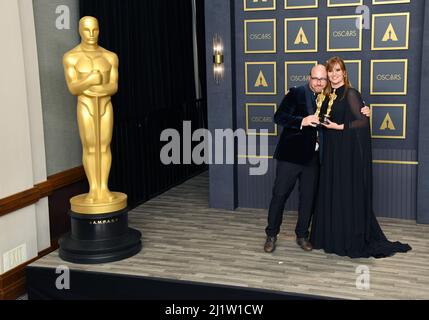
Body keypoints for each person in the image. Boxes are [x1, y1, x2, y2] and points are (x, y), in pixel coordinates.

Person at [310, 56, 412, 258]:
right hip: (331, 152)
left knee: (345, 192)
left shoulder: (351, 93)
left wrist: (339, 126)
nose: (334, 74)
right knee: (333, 191)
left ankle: (347, 238)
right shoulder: (326, 94)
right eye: (331, 71)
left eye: (338, 70)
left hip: (347, 153)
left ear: (344, 73)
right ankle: (331, 236)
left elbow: (362, 123)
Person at [264, 65, 369, 253]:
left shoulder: (329, 96)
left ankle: (302, 235)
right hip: (290, 157)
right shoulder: (296, 93)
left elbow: (347, 109)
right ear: (309, 78)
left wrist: (365, 109)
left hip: (314, 159)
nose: (319, 82)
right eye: (316, 78)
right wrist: (301, 121)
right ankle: (271, 235)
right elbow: (279, 117)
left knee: (308, 199)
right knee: (279, 195)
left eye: (323, 79)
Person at [63, 16, 125, 210]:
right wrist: (90, 80)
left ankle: (104, 188)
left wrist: (98, 89)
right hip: (86, 106)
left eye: (95, 30)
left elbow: (113, 86)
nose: (91, 35)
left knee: (104, 146)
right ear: (80, 30)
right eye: (87, 30)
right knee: (90, 146)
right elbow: (73, 88)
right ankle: (93, 189)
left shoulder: (109, 56)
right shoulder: (71, 57)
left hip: (105, 105)